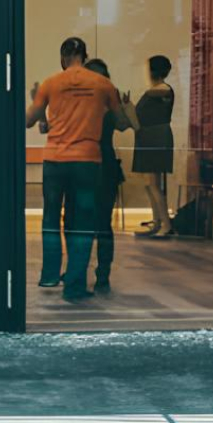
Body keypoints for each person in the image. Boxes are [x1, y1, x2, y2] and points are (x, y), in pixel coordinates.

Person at [25, 37, 130, 302]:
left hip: (54, 160)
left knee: (51, 219)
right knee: (82, 223)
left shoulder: (50, 83)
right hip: (87, 161)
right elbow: (120, 122)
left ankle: (50, 275)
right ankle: (74, 286)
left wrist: (34, 99)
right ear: (84, 55)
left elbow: (28, 121)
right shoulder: (104, 85)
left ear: (62, 58)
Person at [84, 57, 125, 293]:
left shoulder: (109, 101)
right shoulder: (100, 101)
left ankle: (102, 273)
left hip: (100, 165)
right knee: (92, 224)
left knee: (99, 224)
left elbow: (123, 125)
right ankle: (94, 273)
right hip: (91, 164)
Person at [132, 55, 175, 238]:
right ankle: (157, 221)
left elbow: (160, 91)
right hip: (146, 136)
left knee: (155, 184)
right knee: (149, 184)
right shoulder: (153, 91)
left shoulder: (163, 89)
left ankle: (166, 224)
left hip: (156, 137)